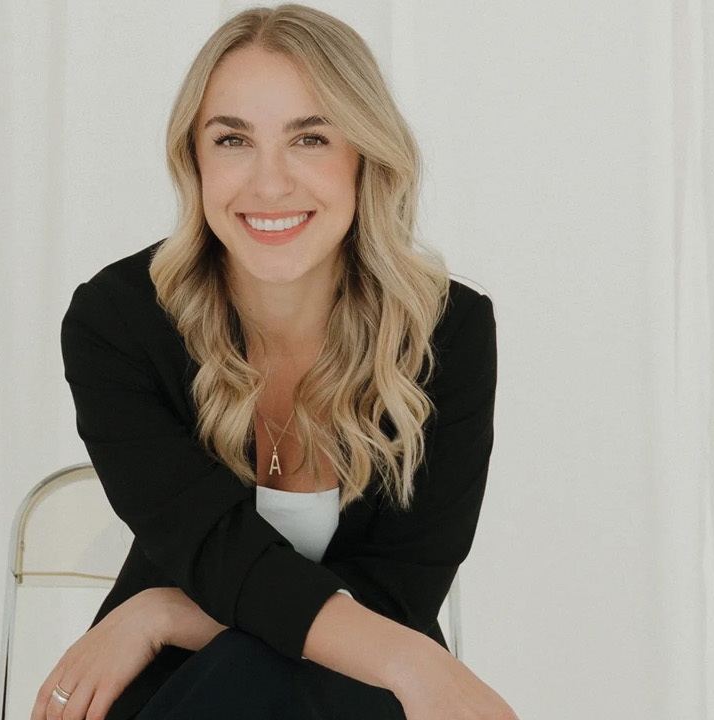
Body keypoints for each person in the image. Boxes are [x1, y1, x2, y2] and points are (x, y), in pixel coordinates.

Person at [35, 5, 517, 720]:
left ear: (364, 154)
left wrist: (163, 613)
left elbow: (399, 591)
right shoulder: (121, 322)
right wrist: (417, 664)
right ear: (194, 160)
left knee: (285, 671)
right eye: (232, 139)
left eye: (310, 138)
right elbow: (215, 552)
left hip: (362, 686)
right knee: (251, 672)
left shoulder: (447, 332)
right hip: (187, 686)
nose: (269, 183)